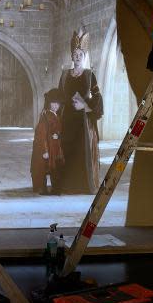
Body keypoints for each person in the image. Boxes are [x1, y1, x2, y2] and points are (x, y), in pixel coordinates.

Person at [58, 31, 103, 194]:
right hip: (67, 118)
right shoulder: (64, 75)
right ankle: (67, 185)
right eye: (75, 54)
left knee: (81, 150)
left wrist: (86, 105)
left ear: (84, 56)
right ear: (71, 56)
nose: (77, 57)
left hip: (83, 119)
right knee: (67, 148)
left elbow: (97, 95)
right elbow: (59, 95)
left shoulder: (89, 75)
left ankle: (83, 185)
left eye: (80, 54)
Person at [31, 89, 64, 195]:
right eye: (53, 103)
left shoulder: (56, 115)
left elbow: (59, 129)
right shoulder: (45, 116)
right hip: (47, 146)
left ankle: (56, 189)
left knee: (55, 168)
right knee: (44, 168)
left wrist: (57, 135)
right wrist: (44, 151)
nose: (55, 106)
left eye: (57, 103)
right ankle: (43, 189)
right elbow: (41, 134)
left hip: (55, 146)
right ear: (49, 103)